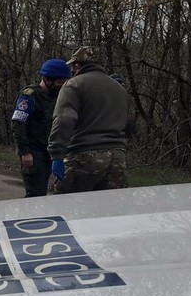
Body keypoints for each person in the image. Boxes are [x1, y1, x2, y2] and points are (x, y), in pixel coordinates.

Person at [48, 46, 130, 194]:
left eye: (72, 66)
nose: (71, 71)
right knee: (109, 210)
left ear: (77, 66)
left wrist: (57, 154)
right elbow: (128, 125)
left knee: (63, 205)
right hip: (117, 158)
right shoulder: (120, 89)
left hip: (85, 155)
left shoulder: (74, 85)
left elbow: (64, 120)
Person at [11, 59, 71, 197]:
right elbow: (18, 124)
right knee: (35, 195)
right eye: (59, 82)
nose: (62, 86)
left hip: (49, 152)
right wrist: (24, 152)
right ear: (48, 80)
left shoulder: (58, 97)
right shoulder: (29, 96)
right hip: (33, 152)